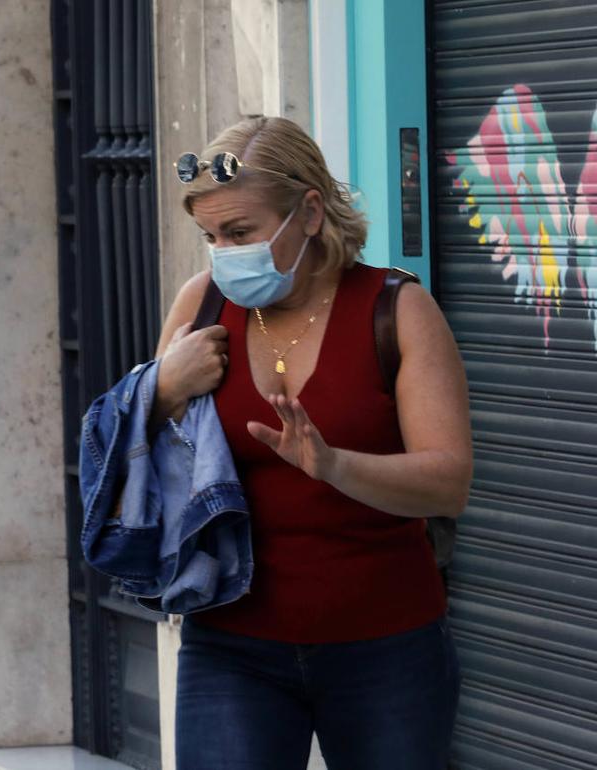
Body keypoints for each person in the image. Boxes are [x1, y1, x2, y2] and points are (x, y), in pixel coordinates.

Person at [156, 116, 472, 769]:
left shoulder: (396, 310)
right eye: (210, 236)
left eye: (240, 232)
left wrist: (334, 466)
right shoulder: (202, 306)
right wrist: (161, 389)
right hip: (230, 648)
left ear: (308, 211)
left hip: (387, 647)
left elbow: (449, 481)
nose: (223, 252)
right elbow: (143, 459)